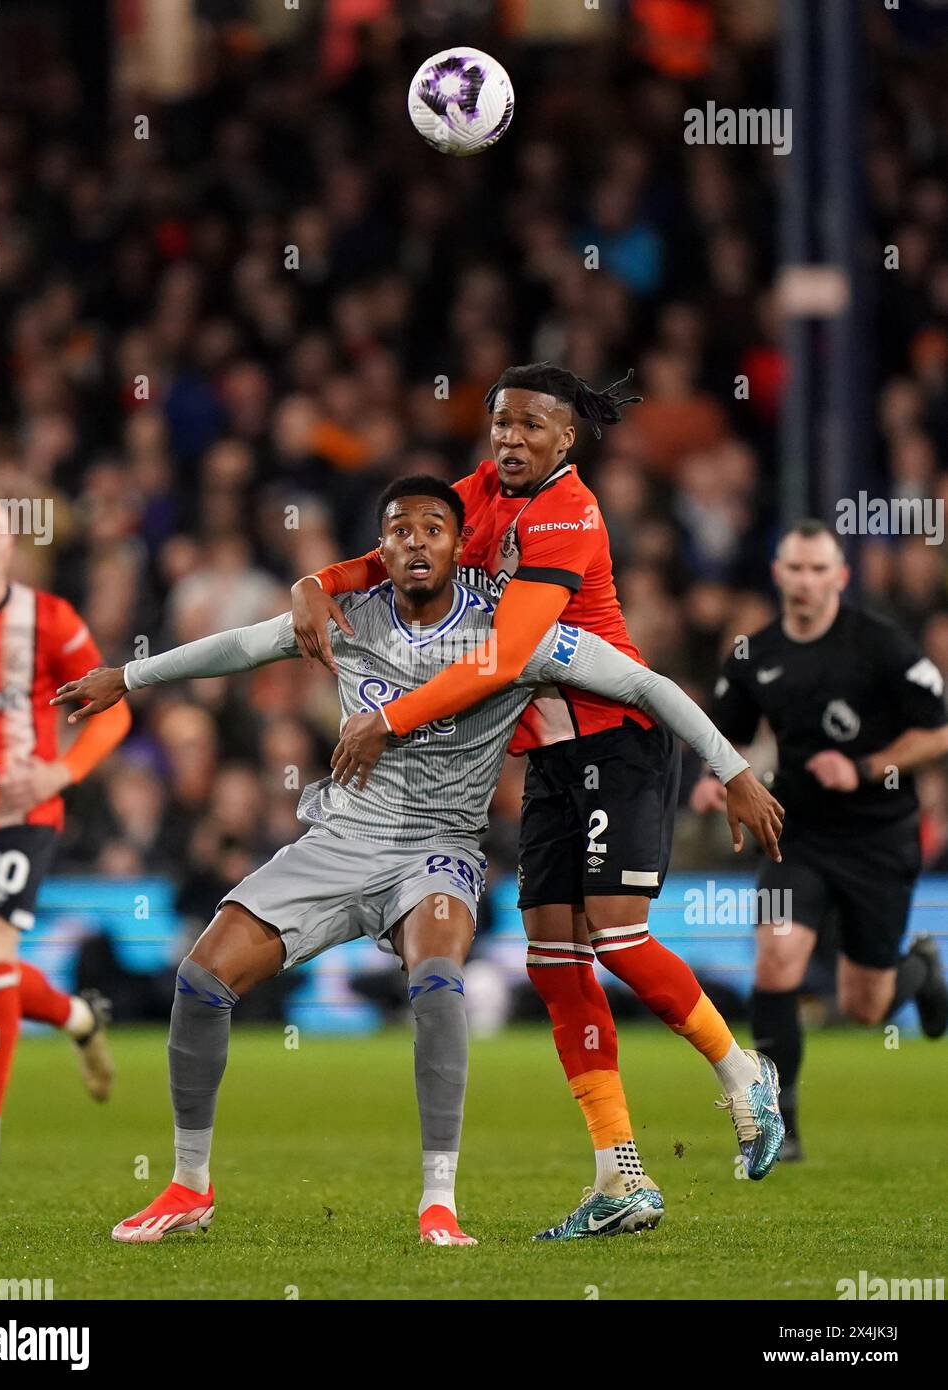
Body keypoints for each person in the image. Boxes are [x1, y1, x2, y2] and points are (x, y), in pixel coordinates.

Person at [54, 476, 780, 1245]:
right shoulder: (346, 617)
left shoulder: (513, 633)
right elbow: (239, 648)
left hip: (438, 853)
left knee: (438, 984)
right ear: (383, 548)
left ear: (458, 544)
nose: (416, 542)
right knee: (200, 979)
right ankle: (188, 1188)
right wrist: (126, 677)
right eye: (399, 531)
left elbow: (644, 683)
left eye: (434, 528)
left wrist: (732, 769)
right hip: (339, 840)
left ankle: (439, 1202)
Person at [291, 365, 786, 1237]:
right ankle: (620, 1174)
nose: (511, 439)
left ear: (566, 440)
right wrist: (317, 583)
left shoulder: (569, 514)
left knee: (620, 936)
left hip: (617, 742)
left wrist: (387, 721)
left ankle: (744, 1073)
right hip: (549, 761)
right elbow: (404, 547)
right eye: (501, 423)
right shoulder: (479, 490)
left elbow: (500, 658)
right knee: (554, 964)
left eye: (531, 426)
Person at [690, 519, 948, 1159]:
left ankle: (917, 971)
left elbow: (939, 732)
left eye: (817, 570)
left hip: (879, 839)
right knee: (776, 958)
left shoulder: (880, 645)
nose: (805, 582)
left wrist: (864, 767)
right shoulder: (755, 652)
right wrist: (712, 778)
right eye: (794, 569)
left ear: (841, 576)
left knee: (866, 1007)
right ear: (778, 575)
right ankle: (785, 1128)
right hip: (797, 836)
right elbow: (730, 736)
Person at [0, 489, 130, 1168]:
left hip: (21, 810)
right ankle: (77, 1017)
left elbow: (112, 710)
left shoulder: (47, 621)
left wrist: (60, 774)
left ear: (11, 546)